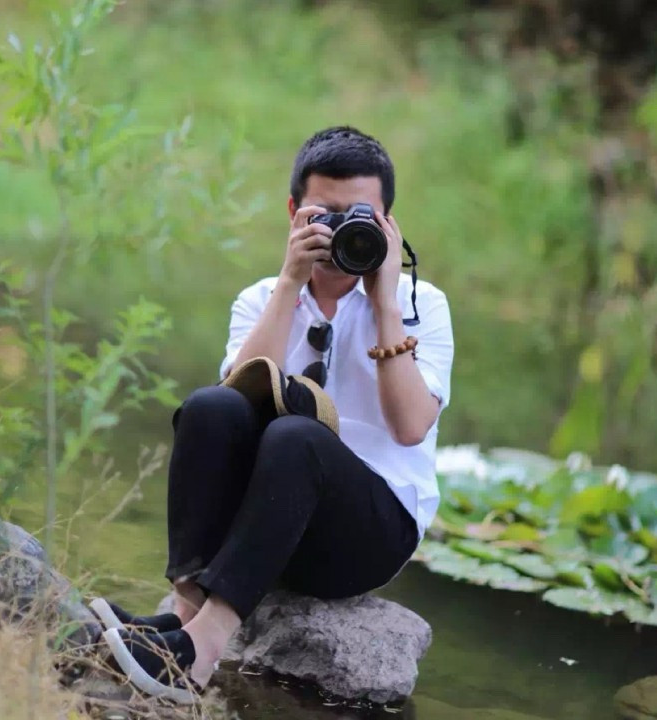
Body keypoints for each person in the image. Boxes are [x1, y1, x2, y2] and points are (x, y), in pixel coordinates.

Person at [92, 126, 454, 700]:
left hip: (365, 536)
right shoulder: (261, 298)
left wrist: (385, 302)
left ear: (389, 223)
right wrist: (290, 283)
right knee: (211, 404)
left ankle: (201, 652)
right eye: (326, 215)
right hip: (266, 526)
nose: (342, 230)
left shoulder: (421, 305)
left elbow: (411, 427)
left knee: (294, 437)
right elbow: (234, 405)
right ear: (293, 212)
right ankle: (184, 614)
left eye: (360, 215)